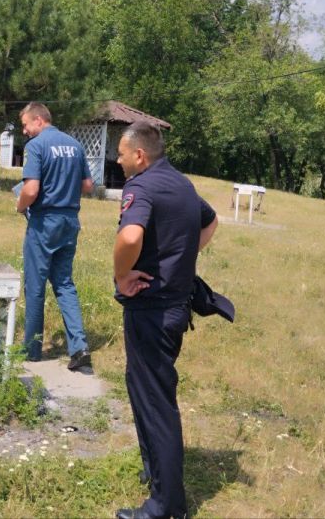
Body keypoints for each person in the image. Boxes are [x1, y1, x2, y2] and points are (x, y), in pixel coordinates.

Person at [112, 121, 218, 519]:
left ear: (139, 155)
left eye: (122, 153)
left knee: (156, 402)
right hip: (173, 307)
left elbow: (129, 237)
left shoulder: (141, 186)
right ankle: (157, 472)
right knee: (145, 392)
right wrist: (182, 261)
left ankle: (168, 506)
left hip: (153, 312)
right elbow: (210, 222)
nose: (118, 160)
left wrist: (123, 275)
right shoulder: (182, 184)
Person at [15, 101, 94, 370]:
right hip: (70, 220)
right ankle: (79, 347)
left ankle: (32, 350)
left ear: (39, 120)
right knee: (64, 283)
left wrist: (20, 205)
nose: (24, 131)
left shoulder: (35, 146)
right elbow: (88, 185)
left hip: (44, 222)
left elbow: (31, 190)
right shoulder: (75, 144)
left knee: (35, 286)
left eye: (25, 125)